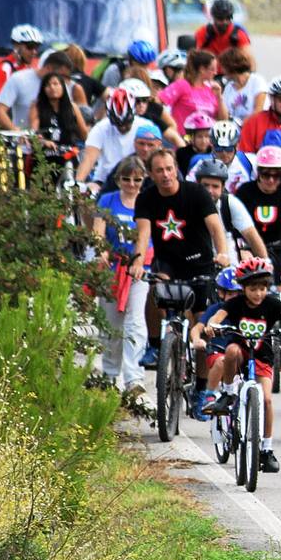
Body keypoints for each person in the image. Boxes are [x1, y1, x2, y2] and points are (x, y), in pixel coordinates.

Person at [135, 149, 234, 411]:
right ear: (151, 174)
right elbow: (143, 234)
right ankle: (156, 345)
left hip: (199, 262)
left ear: (175, 168)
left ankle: (202, 388)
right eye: (159, 170)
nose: (165, 174)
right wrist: (137, 260)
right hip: (167, 263)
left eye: (169, 168)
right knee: (154, 288)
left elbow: (216, 228)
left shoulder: (196, 193)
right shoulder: (146, 198)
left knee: (202, 328)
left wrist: (222, 253)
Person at [199, 258, 281, 472]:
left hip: (262, 356)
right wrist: (211, 326)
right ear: (243, 288)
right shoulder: (235, 304)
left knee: (266, 400)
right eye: (253, 289)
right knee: (231, 351)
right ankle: (228, 393)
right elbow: (219, 316)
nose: (258, 294)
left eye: (262, 288)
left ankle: (267, 448)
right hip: (241, 352)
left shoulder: (271, 303)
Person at [93, 156, 151, 397]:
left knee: (135, 323)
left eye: (137, 179)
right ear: (118, 179)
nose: (131, 184)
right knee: (111, 325)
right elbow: (98, 232)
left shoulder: (146, 203)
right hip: (112, 269)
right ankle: (109, 373)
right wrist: (101, 251)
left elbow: (144, 235)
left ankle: (133, 377)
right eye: (126, 179)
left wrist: (138, 261)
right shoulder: (107, 200)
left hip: (136, 270)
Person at [0, 25, 44, 101]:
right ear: (16, 46)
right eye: (30, 47)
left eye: (36, 47)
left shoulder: (31, 67)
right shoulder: (4, 69)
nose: (34, 52)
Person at [216, 48, 266, 124]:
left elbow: (259, 110)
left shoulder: (257, 81)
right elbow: (225, 116)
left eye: (223, 67)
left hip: (253, 126)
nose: (222, 71)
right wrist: (219, 97)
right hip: (234, 129)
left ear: (231, 67)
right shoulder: (229, 87)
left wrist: (241, 125)